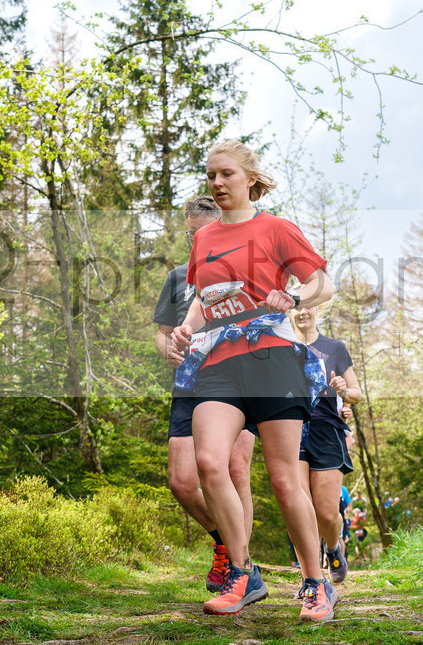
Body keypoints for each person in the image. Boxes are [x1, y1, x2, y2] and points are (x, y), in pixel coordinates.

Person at [171, 140, 337, 622]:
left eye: (226, 175)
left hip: (274, 358)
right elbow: (205, 297)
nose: (218, 183)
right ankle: (242, 573)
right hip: (220, 360)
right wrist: (187, 324)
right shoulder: (203, 239)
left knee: (285, 479)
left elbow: (322, 281)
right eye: (211, 176)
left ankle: (315, 582)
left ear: (249, 179)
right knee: (208, 460)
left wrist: (296, 297)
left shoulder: (276, 228)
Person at [153, 195, 256, 592]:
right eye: (190, 233)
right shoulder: (178, 277)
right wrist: (170, 352)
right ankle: (227, 544)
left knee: (234, 469)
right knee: (181, 481)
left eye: (201, 232)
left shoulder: (241, 270)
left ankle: (240, 572)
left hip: (238, 380)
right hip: (189, 384)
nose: (195, 239)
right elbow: (161, 337)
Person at [290, 303, 361, 584]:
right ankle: (312, 579)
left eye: (307, 306)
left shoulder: (335, 348)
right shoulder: (281, 347)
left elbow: (356, 393)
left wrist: (345, 390)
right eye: (296, 306)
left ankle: (333, 548)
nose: (302, 312)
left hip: (327, 430)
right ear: (288, 312)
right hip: (292, 428)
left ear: (318, 309)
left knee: (327, 513)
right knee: (298, 508)